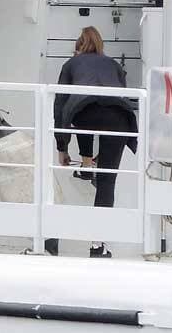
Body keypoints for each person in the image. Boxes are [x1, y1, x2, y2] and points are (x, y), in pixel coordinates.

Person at [50, 27, 134, 259]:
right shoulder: (114, 65)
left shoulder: (71, 64)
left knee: (80, 108)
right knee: (107, 182)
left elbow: (61, 103)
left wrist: (62, 146)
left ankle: (87, 164)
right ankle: (98, 246)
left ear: (78, 48)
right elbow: (120, 95)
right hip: (119, 118)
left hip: (85, 113)